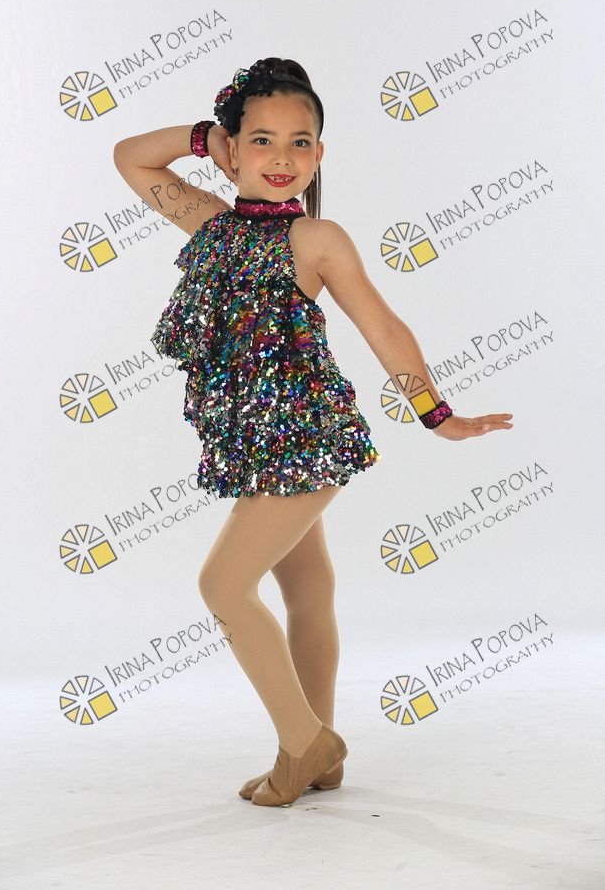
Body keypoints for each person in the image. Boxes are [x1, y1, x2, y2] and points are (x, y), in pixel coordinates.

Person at [113, 57, 513, 807]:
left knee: (222, 585)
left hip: (306, 438)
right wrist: (204, 137)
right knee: (306, 585)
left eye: (300, 143)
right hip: (251, 445)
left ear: (320, 154)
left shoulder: (316, 238)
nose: (281, 158)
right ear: (232, 150)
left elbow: (383, 326)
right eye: (261, 140)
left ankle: (306, 742)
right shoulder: (207, 224)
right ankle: (316, 754)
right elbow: (130, 156)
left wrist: (437, 414)